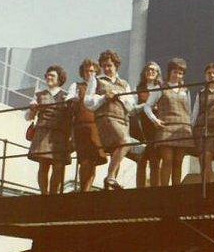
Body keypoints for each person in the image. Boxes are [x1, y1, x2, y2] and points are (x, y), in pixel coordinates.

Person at [84, 50, 134, 190]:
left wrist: (120, 96)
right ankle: (110, 177)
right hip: (106, 118)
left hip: (123, 120)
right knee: (126, 141)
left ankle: (110, 185)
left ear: (116, 66)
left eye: (109, 65)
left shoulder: (124, 83)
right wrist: (104, 97)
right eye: (104, 65)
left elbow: (131, 105)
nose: (107, 68)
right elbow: (87, 101)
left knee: (116, 151)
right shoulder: (97, 80)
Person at [143, 58, 194, 186]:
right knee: (167, 160)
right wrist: (154, 120)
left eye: (180, 73)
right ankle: (164, 190)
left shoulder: (186, 90)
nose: (177, 75)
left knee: (178, 162)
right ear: (169, 72)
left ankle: (176, 190)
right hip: (166, 127)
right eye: (175, 72)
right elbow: (147, 106)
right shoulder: (160, 87)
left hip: (183, 128)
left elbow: (189, 110)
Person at [25, 65, 72, 194]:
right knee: (43, 165)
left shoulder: (66, 96)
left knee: (58, 166)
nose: (49, 78)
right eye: (47, 75)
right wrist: (32, 109)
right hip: (43, 132)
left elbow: (71, 115)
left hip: (60, 133)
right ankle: (44, 194)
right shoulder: (39, 95)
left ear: (60, 78)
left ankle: (53, 194)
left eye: (52, 75)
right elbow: (28, 117)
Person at [67, 59, 107, 192]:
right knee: (84, 160)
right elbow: (69, 101)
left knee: (94, 160)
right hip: (81, 126)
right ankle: (83, 190)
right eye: (87, 71)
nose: (89, 73)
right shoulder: (76, 86)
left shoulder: (100, 87)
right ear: (82, 72)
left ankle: (88, 190)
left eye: (92, 71)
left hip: (97, 127)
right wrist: (73, 100)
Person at [191, 62, 214, 184]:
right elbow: (196, 112)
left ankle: (208, 186)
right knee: (202, 159)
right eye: (209, 73)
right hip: (201, 129)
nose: (212, 75)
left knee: (207, 156)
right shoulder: (201, 92)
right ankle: (205, 185)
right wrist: (191, 129)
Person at [132, 61, 162, 188]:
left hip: (155, 124)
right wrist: (147, 105)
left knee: (155, 159)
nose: (150, 72)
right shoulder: (138, 88)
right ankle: (140, 189)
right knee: (141, 158)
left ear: (157, 73)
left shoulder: (161, 87)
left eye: (153, 70)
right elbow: (132, 108)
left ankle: (155, 189)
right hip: (141, 125)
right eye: (148, 70)